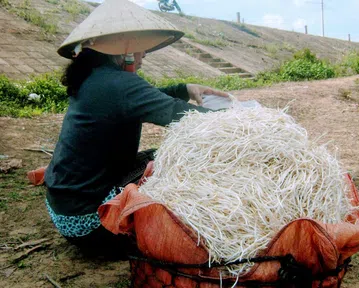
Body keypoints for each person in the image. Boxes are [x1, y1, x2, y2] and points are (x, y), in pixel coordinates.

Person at [44, 0, 228, 257]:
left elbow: (147, 100)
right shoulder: (118, 84)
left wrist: (184, 89)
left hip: (67, 211)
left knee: (162, 157)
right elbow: (178, 114)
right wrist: (239, 116)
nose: (144, 55)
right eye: (141, 48)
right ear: (125, 48)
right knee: (179, 161)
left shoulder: (96, 77)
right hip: (91, 223)